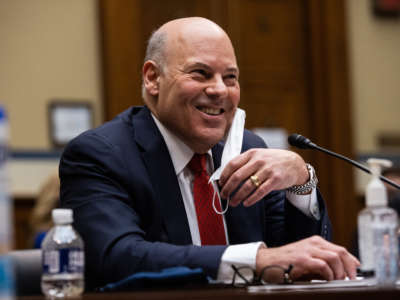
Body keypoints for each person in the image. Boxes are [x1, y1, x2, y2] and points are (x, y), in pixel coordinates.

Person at [59, 17, 359, 290]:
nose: (219, 90)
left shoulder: (248, 150)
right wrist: (254, 259)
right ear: (152, 78)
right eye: (200, 73)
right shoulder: (100, 154)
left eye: (230, 78)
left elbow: (295, 259)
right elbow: (116, 257)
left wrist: (301, 180)